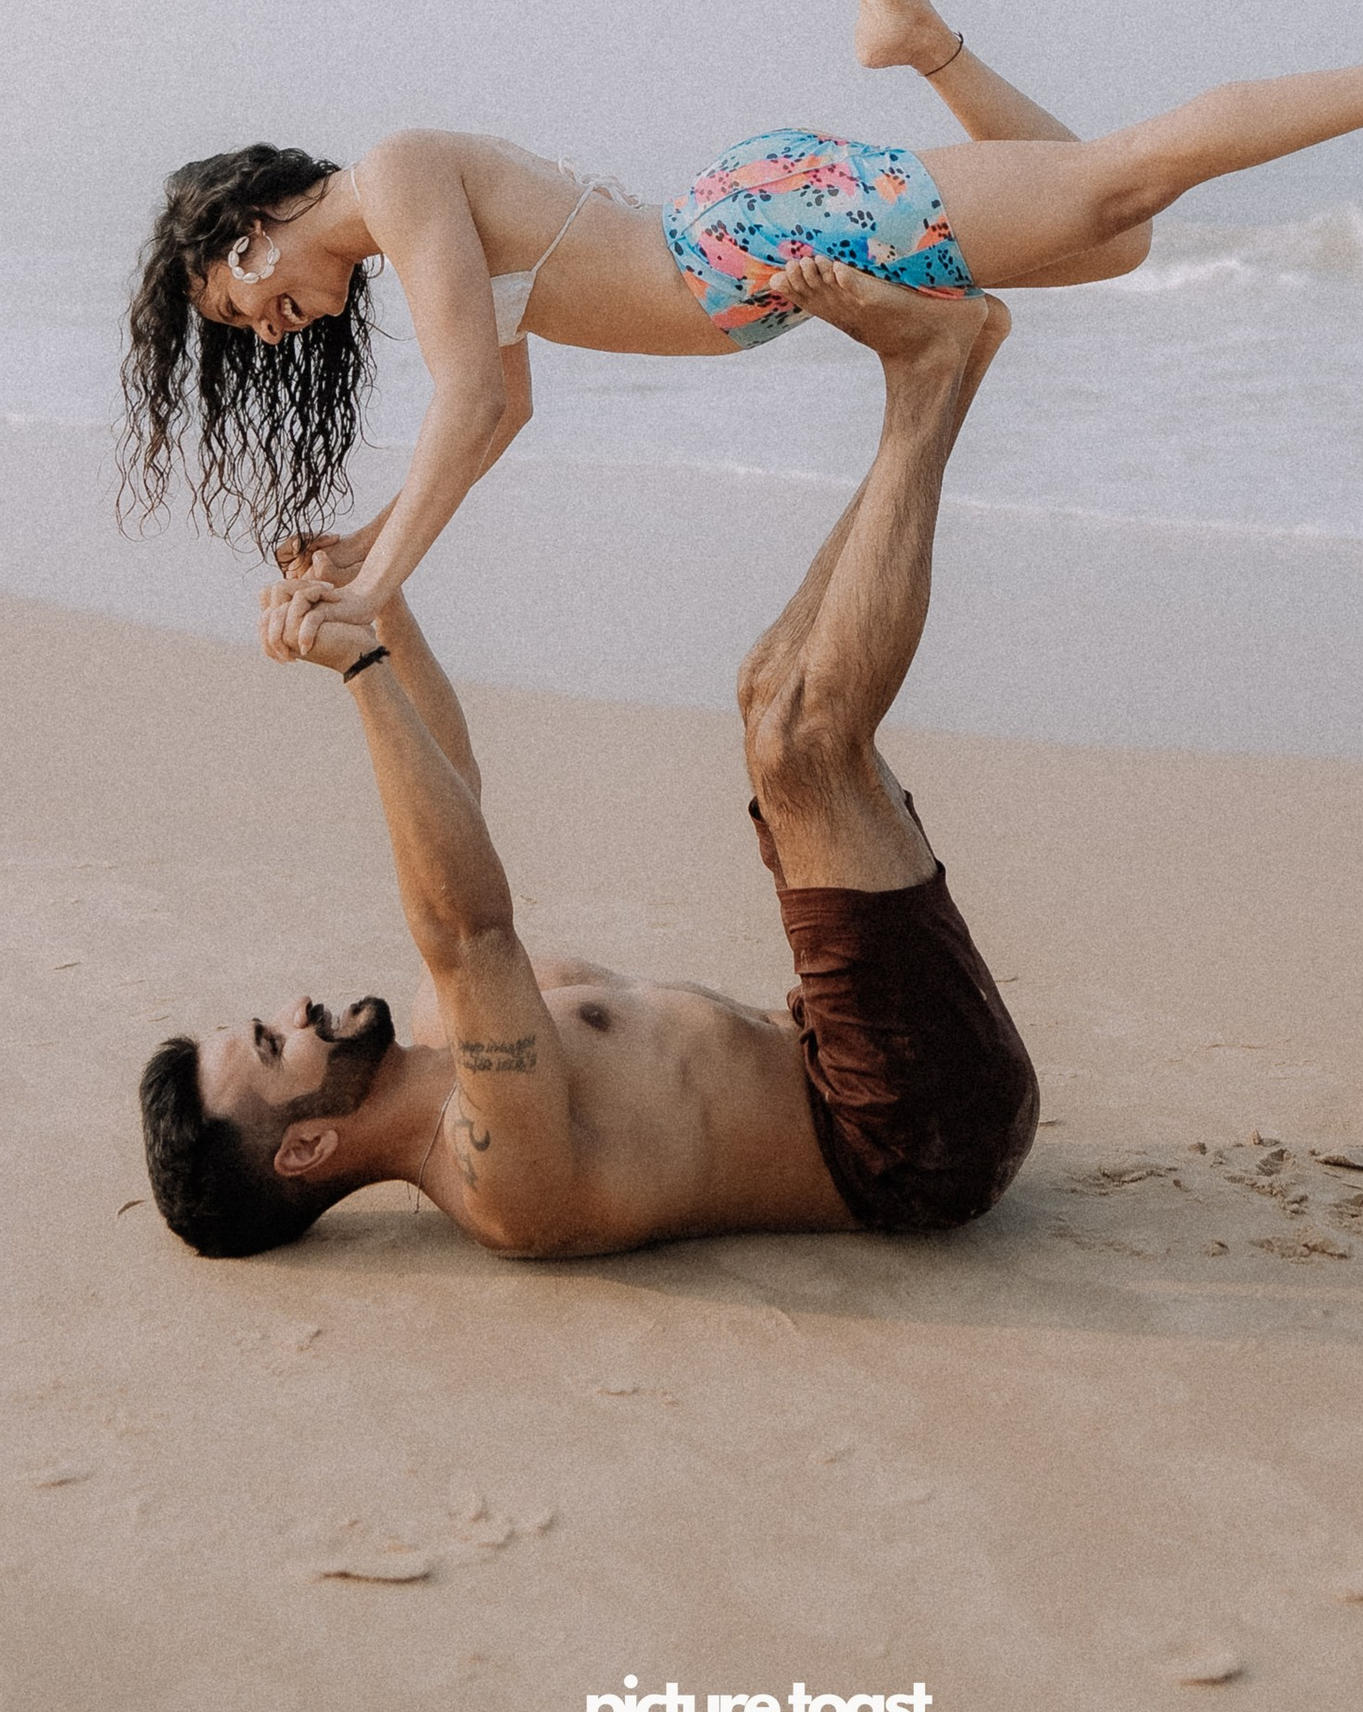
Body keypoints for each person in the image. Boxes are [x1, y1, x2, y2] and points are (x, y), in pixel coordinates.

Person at [120, 0, 1363, 610]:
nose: (267, 335)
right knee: (1121, 234)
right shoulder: (400, 217)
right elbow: (499, 412)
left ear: (243, 237)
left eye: (239, 309)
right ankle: (928, 49)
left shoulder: (390, 179)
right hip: (757, 247)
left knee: (1124, 181)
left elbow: (459, 401)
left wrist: (377, 581)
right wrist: (364, 536)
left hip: (766, 239)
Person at [138, 255, 1037, 1261]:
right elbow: (467, 925)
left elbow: (454, 787)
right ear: (303, 1146)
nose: (293, 1005)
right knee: (800, 744)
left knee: (764, 689)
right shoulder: (496, 1175)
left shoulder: (444, 1029)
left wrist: (370, 591)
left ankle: (957, 364)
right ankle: (921, 373)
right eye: (273, 1043)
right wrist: (359, 672)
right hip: (907, 1137)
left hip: (836, 1039)